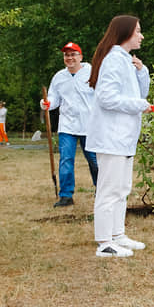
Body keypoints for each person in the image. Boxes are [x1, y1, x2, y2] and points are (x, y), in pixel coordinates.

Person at [85, 15, 152, 258]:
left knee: (122, 188)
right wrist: (138, 105)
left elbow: (138, 92)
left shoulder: (125, 60)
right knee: (109, 190)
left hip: (123, 138)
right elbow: (107, 98)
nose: (141, 36)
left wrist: (142, 71)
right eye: (138, 31)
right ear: (125, 33)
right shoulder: (113, 60)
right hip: (111, 138)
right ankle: (104, 243)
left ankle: (117, 234)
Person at [41, 41, 100, 208]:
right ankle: (66, 196)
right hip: (67, 125)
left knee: (94, 160)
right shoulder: (59, 77)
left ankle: (101, 190)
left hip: (89, 125)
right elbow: (53, 99)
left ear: (80, 56)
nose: (70, 58)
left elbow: (102, 95)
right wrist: (46, 103)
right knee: (66, 160)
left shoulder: (91, 72)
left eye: (73, 54)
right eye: (67, 55)